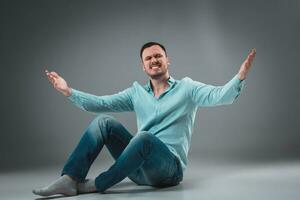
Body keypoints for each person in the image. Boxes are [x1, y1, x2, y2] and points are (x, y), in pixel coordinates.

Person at [33, 42, 256, 197]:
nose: (154, 60)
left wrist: (240, 77)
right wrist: (68, 91)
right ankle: (70, 179)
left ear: (168, 61)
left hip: (168, 170)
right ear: (143, 66)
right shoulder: (136, 93)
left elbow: (220, 96)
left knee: (144, 138)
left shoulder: (187, 88)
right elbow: (101, 103)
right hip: (137, 169)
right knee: (103, 121)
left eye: (158, 56)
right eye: (148, 58)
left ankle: (94, 185)